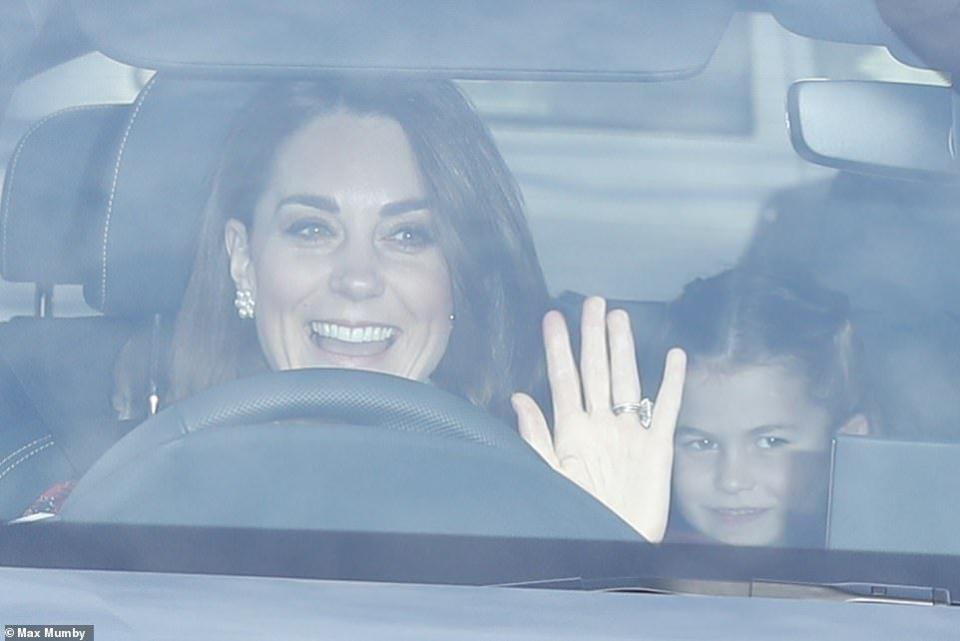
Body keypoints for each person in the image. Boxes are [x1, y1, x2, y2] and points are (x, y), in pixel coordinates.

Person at [154, 77, 686, 542]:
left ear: (461, 276)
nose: (357, 278)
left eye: (408, 235)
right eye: (312, 229)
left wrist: (608, 556)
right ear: (244, 258)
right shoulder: (143, 497)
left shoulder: (542, 501)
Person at [661, 269, 870, 547]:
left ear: (849, 442)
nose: (732, 480)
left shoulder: (887, 570)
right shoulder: (635, 568)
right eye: (702, 443)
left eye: (770, 442)